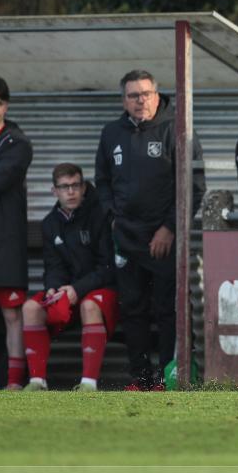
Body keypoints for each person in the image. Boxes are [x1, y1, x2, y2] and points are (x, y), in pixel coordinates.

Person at [94, 70, 205, 391]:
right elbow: (102, 181)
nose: (140, 100)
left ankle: (168, 376)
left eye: (146, 93)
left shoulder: (177, 129)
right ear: (123, 100)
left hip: (165, 240)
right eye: (133, 95)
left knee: (167, 309)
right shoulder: (111, 133)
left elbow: (195, 187)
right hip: (126, 239)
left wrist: (169, 228)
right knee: (133, 309)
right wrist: (113, 218)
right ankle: (140, 379)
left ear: (157, 95)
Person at [22, 164, 117, 392]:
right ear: (54, 191)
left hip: (102, 291)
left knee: (89, 305)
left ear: (84, 187)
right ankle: (37, 381)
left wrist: (77, 288)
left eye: (75, 185)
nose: (71, 192)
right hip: (70, 293)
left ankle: (88, 384)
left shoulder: (101, 214)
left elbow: (108, 267)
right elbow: (53, 266)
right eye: (64, 187)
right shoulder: (49, 224)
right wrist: (53, 288)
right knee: (30, 308)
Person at [0, 76, 32, 390]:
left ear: (7, 106)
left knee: (12, 315)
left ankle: (14, 382)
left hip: (5, 238)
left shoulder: (18, 142)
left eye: (0, 102)